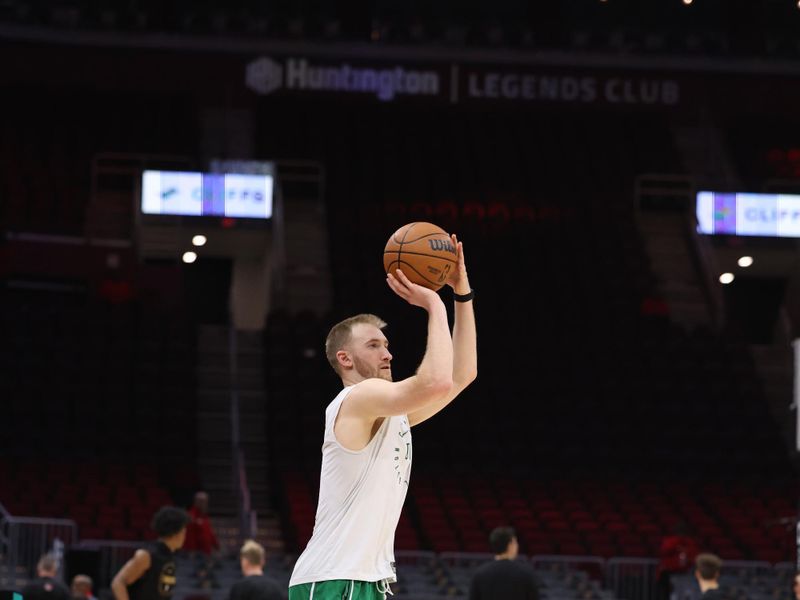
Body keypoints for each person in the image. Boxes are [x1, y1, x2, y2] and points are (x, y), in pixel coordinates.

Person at [288, 234, 477, 600]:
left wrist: (462, 294)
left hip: (365, 580)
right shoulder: (357, 398)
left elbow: (461, 375)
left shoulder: (389, 414)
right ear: (345, 359)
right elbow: (436, 381)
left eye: (387, 345)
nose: (387, 353)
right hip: (334, 579)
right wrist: (434, 306)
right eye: (373, 345)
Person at [110, 506, 190, 600]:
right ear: (176, 533)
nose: (185, 536)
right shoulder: (147, 555)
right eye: (184, 532)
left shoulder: (171, 557)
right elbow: (118, 583)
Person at [468, 527, 539, 600]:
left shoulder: (479, 574)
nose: (517, 546)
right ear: (510, 545)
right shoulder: (526, 573)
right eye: (515, 542)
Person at [656, 520, 699, 600]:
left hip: (684, 574)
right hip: (669, 574)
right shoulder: (670, 541)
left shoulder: (690, 543)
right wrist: (678, 542)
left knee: (681, 595)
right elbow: (664, 551)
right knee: (668, 595)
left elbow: (693, 558)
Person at [183, 491, 220, 557]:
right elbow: (189, 535)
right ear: (196, 502)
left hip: (206, 553)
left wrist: (216, 546)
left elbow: (210, 534)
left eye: (205, 502)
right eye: (202, 501)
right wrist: (191, 551)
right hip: (196, 554)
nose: (205, 504)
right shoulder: (191, 515)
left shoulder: (204, 517)